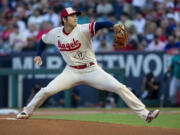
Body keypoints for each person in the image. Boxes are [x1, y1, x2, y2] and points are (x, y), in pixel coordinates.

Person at [17, 7, 160, 123]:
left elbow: (100, 24)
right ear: (64, 19)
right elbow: (42, 41)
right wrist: (38, 54)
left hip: (92, 70)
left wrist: (114, 25)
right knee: (47, 91)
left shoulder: (83, 28)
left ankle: (146, 114)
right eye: (72, 16)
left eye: (76, 15)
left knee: (119, 87)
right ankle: (26, 111)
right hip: (71, 72)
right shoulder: (56, 33)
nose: (75, 17)